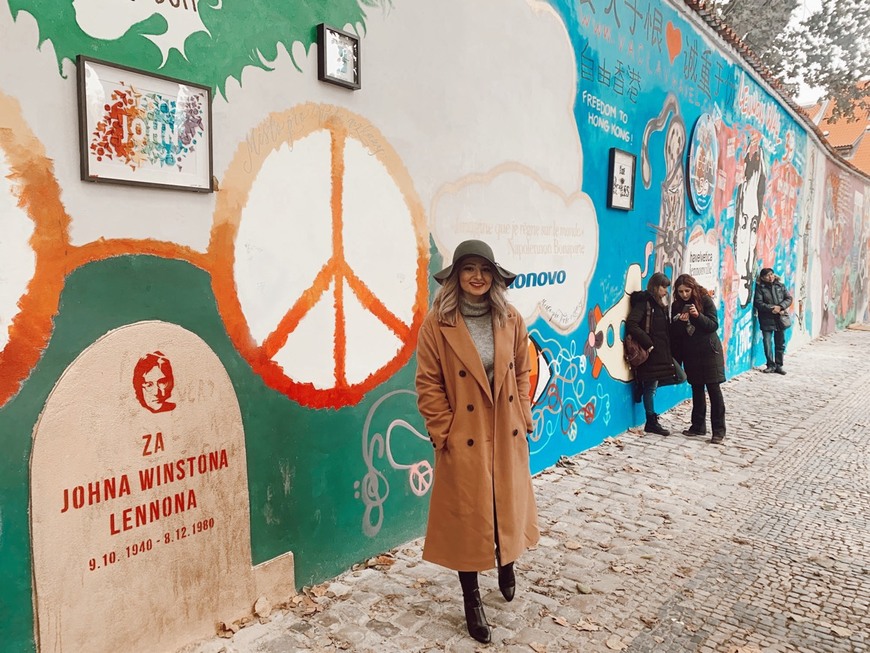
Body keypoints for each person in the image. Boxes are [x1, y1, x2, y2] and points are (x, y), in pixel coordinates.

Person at [415, 239, 539, 644]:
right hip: (464, 435)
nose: (477, 277)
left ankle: (507, 561)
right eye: (469, 269)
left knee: (505, 502)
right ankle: (472, 599)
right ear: (455, 275)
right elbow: (428, 383)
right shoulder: (437, 324)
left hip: (505, 427)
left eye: (485, 270)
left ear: (494, 277)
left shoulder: (510, 318)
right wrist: (444, 430)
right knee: (467, 517)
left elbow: (523, 369)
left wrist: (523, 410)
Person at [625, 272, 685, 436]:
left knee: (680, 377)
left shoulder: (660, 304)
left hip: (662, 353)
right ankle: (651, 421)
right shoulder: (645, 303)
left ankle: (644, 390)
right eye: (663, 287)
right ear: (654, 286)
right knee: (651, 388)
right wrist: (648, 343)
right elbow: (632, 324)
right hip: (651, 354)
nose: (666, 291)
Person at [670, 274, 727, 444]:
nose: (684, 295)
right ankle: (698, 426)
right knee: (696, 389)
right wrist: (681, 321)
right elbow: (675, 332)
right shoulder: (676, 305)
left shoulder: (705, 300)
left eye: (687, 291)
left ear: (693, 288)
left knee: (714, 390)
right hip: (691, 353)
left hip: (709, 351)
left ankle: (718, 431)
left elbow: (713, 325)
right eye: (680, 291)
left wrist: (697, 315)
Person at [753, 267, 792, 374]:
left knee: (780, 343)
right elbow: (758, 303)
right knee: (767, 342)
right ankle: (770, 364)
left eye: (771, 274)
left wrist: (780, 306)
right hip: (766, 319)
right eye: (767, 275)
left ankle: (779, 365)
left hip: (780, 319)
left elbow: (788, 299)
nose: (770, 277)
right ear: (762, 277)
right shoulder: (760, 288)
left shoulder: (780, 286)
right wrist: (772, 308)